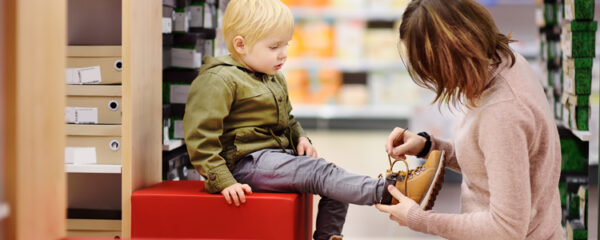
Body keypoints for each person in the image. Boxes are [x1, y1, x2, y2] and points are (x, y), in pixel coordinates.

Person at [182, 0, 444, 239]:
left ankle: (329, 236)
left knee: (334, 182)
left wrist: (301, 137)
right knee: (320, 173)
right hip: (243, 164)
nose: (283, 54)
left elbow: (287, 119)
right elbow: (200, 137)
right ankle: (392, 191)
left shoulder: (272, 76)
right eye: (274, 47)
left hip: (272, 157)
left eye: (286, 44)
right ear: (240, 45)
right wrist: (223, 180)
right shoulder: (219, 80)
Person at [375, 0, 563, 239]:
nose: (435, 80)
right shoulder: (502, 62)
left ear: (451, 57)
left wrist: (419, 219)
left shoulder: (502, 111)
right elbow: (491, 162)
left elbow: (506, 229)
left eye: (432, 69)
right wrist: (428, 146)